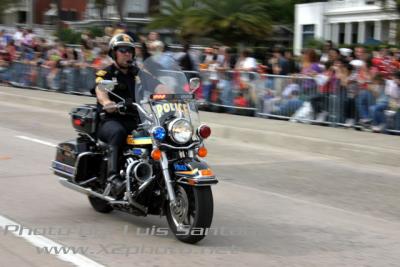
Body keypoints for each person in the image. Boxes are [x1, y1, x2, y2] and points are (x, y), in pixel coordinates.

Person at [93, 33, 143, 194]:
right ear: (114, 53)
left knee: (157, 135)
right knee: (118, 132)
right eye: (122, 50)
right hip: (110, 120)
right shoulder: (106, 73)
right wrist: (106, 102)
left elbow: (158, 86)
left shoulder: (138, 73)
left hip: (135, 119)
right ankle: (113, 178)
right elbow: (100, 89)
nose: (127, 53)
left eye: (129, 50)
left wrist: (175, 94)